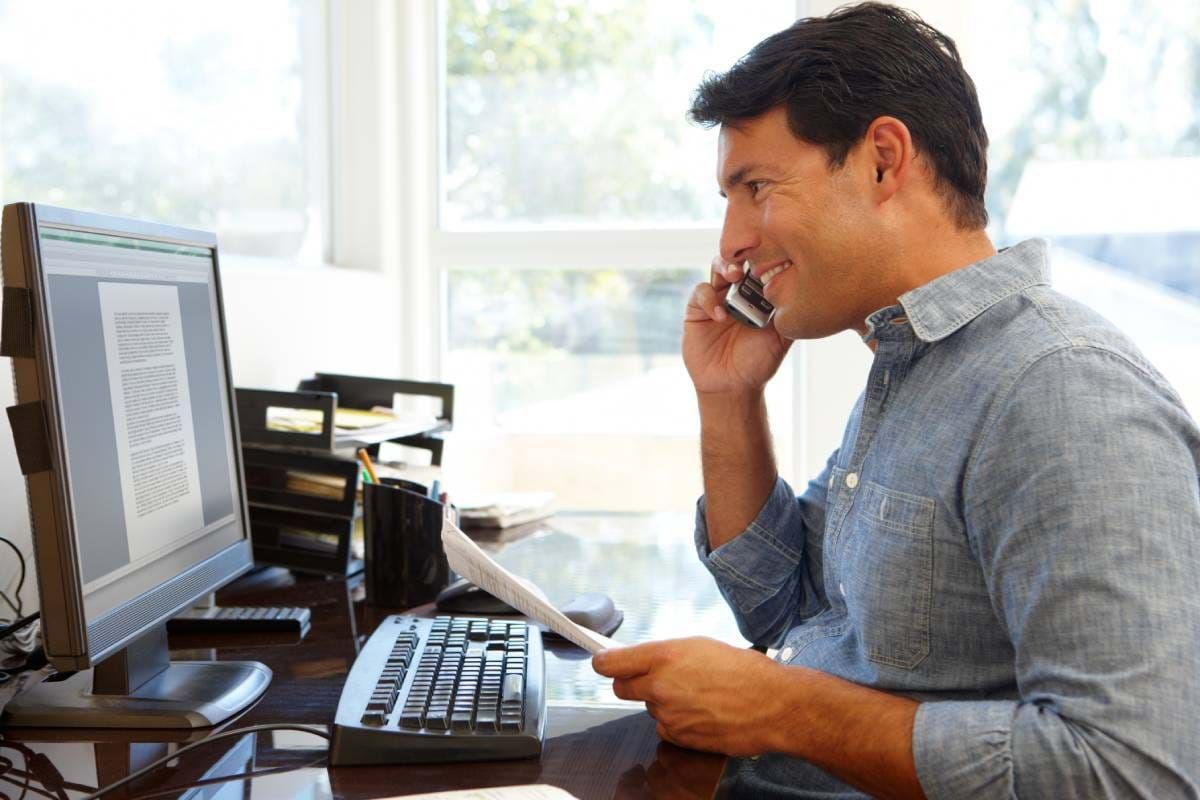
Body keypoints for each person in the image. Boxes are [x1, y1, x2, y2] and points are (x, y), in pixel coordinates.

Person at [591, 4, 1200, 798]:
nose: (731, 243)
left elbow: (1131, 770)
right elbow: (787, 610)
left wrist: (785, 710)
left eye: (756, 188)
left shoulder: (1060, 393)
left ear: (882, 160)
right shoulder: (913, 369)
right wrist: (728, 397)